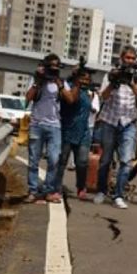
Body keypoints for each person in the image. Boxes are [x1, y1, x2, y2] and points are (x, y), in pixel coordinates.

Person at [93, 45, 137, 209]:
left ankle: (118, 195)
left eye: (133, 58)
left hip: (129, 122)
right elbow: (103, 96)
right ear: (121, 59)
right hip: (110, 120)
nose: (130, 61)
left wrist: (131, 84)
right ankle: (101, 191)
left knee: (126, 161)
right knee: (105, 160)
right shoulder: (111, 74)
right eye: (127, 58)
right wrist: (114, 83)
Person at [25, 53, 73, 203]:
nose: (53, 71)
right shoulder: (36, 80)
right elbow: (27, 98)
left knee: (54, 159)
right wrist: (38, 82)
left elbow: (70, 99)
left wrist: (59, 84)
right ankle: (33, 190)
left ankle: (48, 190)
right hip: (37, 124)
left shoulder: (60, 82)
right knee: (33, 159)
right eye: (50, 68)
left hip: (54, 125)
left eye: (56, 68)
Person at [53, 62, 95, 199]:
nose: (85, 81)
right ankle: (57, 187)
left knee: (82, 162)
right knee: (62, 161)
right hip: (67, 130)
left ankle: (81, 187)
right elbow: (71, 100)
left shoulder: (89, 92)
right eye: (83, 78)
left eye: (87, 79)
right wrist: (77, 83)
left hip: (84, 132)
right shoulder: (67, 87)